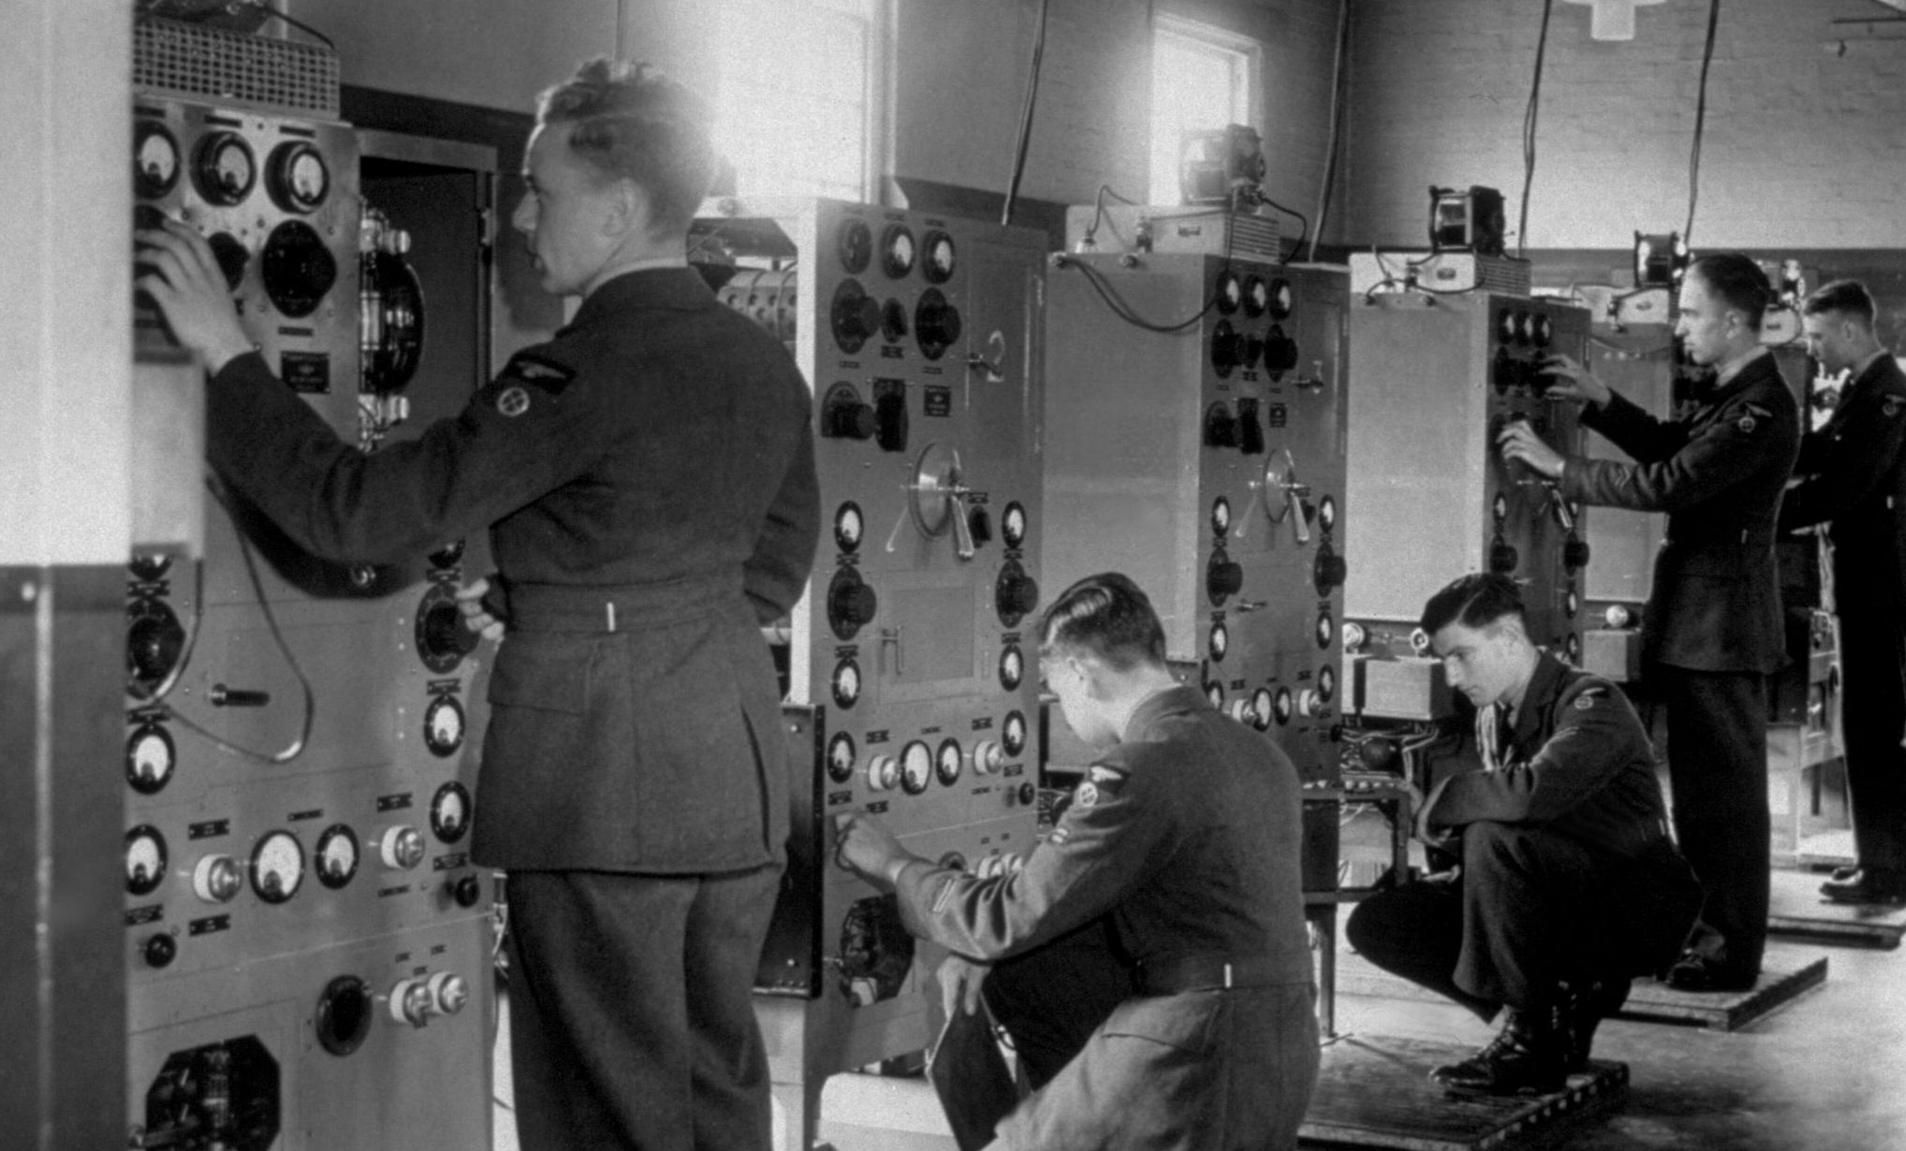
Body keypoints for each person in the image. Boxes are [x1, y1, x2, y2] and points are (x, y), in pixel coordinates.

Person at [137, 58, 821, 1149]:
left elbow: (355, 515)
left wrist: (226, 354)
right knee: (711, 1085)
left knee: (608, 1107)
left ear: (618, 207)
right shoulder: (755, 362)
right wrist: (561, 596)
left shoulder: (582, 371)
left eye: (540, 190)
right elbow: (773, 561)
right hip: (730, 779)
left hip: (603, 784)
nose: (520, 213)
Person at [833, 573, 1320, 1149]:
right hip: (1277, 1040)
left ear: (1081, 673)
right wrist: (997, 957)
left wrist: (893, 865)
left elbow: (1008, 916)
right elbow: (1183, 906)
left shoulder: (1141, 768)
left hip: (1195, 1047)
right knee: (1019, 976)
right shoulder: (1254, 751)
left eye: (1055, 691)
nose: (1062, 713)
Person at [1498, 252, 1799, 993]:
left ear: (1733, 321)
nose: (1681, 327)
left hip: (1721, 631)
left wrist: (1558, 467)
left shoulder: (1763, 406)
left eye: (1692, 314)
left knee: (1723, 802)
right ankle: (1699, 933)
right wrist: (1601, 402)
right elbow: (1673, 446)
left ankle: (1729, 951)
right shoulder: (1738, 393)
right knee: (1697, 796)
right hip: (1701, 624)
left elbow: (1672, 481)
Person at [1345, 574, 1700, 1095]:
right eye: (1444, 659)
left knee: (1493, 835)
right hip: (1561, 892)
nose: (1451, 675)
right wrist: (1443, 841)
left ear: (1510, 640)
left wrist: (1444, 802)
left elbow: (1533, 793)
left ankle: (1530, 1043)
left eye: (1462, 655)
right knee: (1382, 922)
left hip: (1634, 907)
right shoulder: (1494, 715)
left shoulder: (1593, 701)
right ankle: (1557, 1008)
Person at [1780, 280, 1906, 906]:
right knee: (1875, 725)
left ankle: (1893, 871)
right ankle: (1892, 859)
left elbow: (1846, 485)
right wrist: (1759, 452)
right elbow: (1820, 450)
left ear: (1848, 330)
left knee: (1876, 728)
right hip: (1868, 578)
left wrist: (1762, 513)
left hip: (1878, 580)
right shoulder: (1865, 390)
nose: (1812, 349)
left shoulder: (1889, 393)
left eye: (1816, 336)